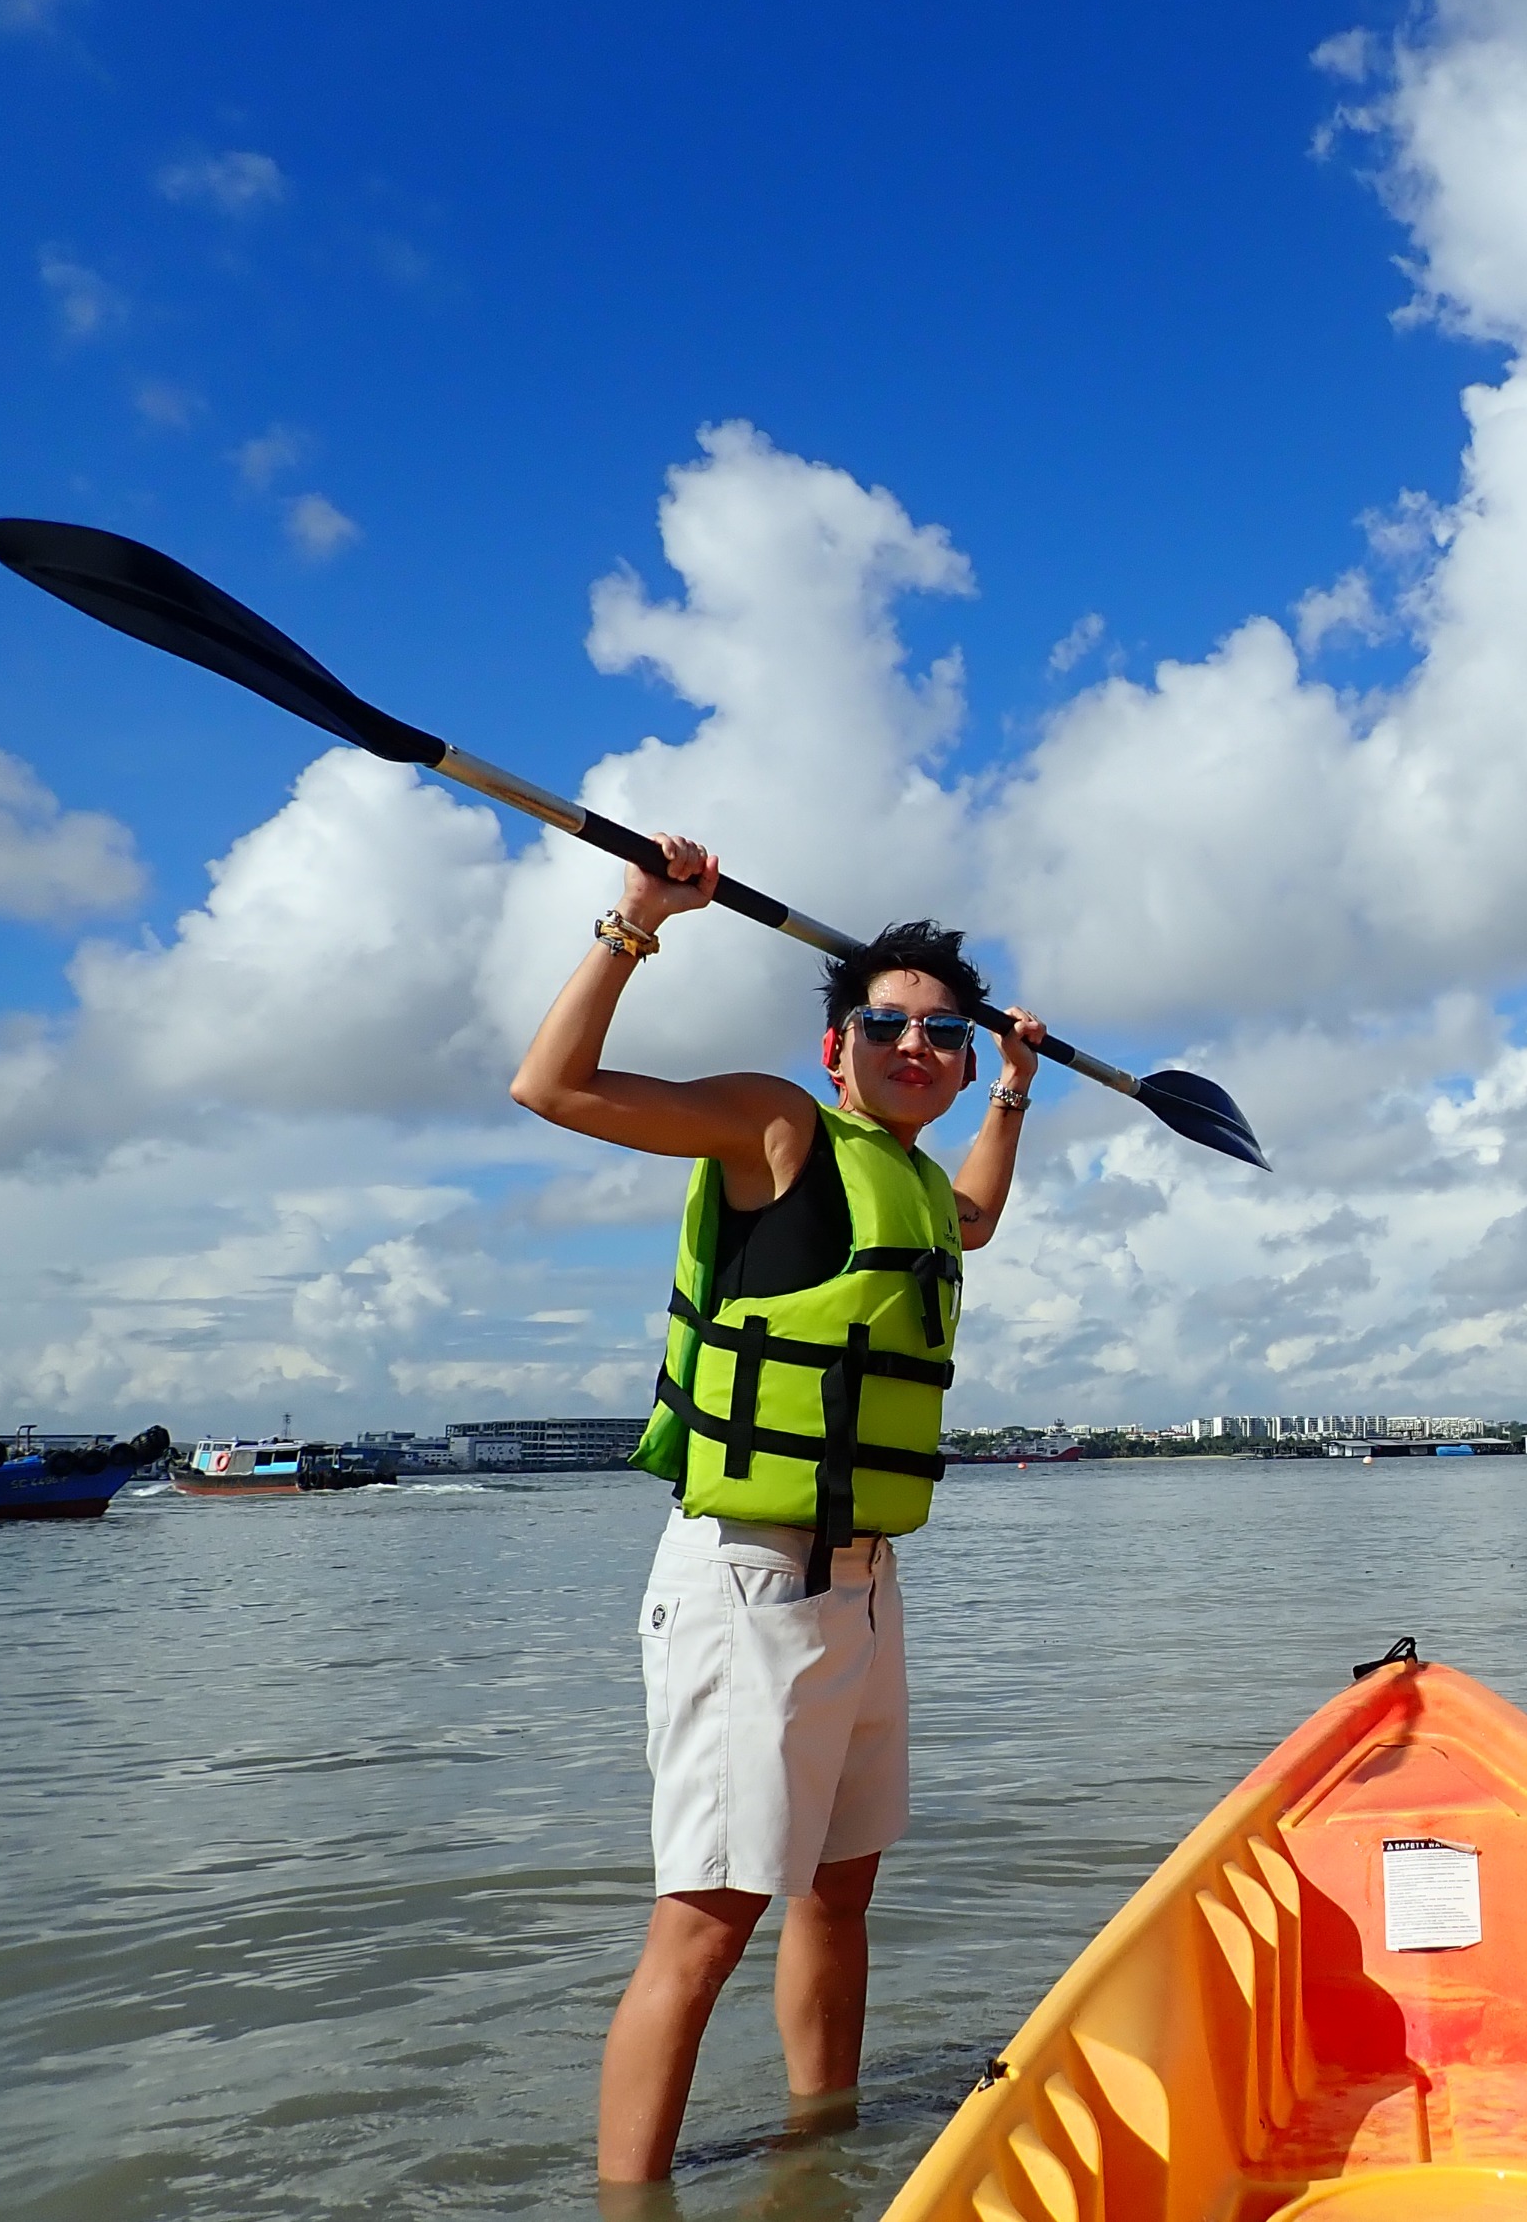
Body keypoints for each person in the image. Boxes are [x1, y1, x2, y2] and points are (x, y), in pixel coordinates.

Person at [509, 835, 1046, 2186]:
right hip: (749, 1578)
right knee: (705, 1923)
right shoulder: (779, 1127)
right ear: (835, 1046)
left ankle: (821, 2151)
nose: (915, 1043)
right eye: (886, 1022)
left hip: (863, 1583)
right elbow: (550, 1085)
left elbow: (972, 1218)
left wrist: (1022, 1098)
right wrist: (638, 918)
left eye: (944, 1031)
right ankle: (632, 2206)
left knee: (841, 1885)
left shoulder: (920, 1180)